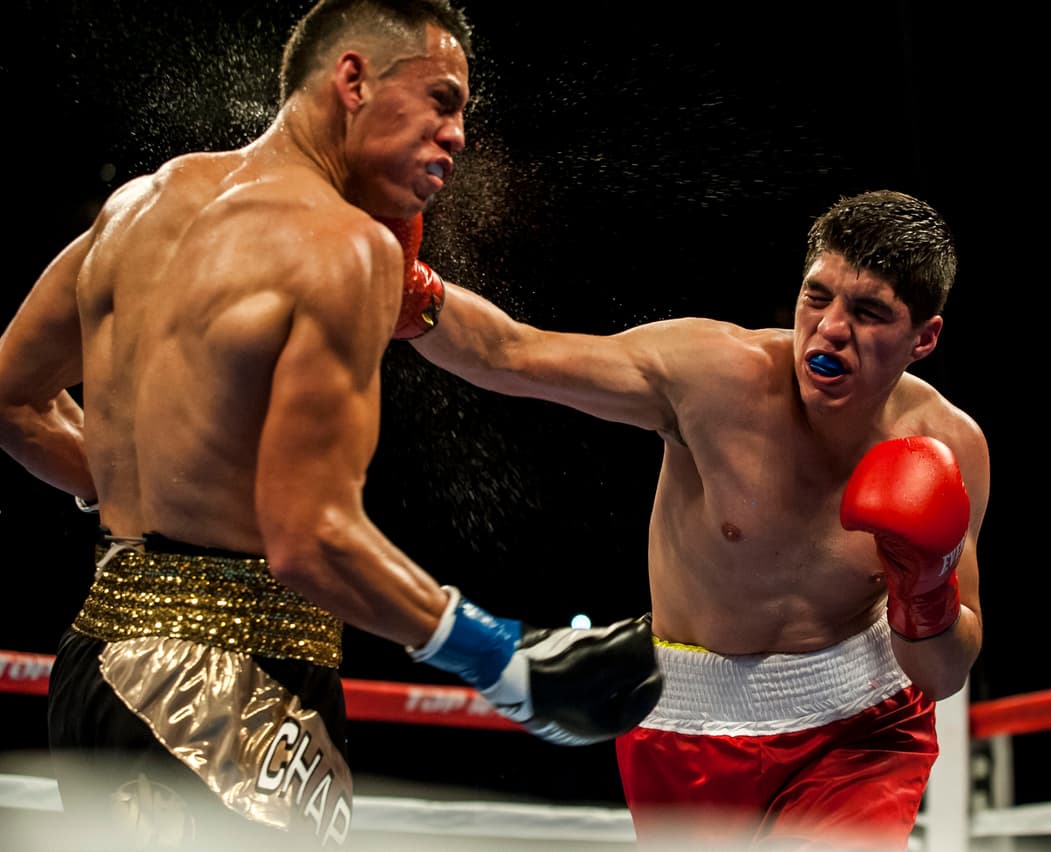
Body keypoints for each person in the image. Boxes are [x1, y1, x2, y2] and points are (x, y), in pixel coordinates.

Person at [0, 1, 661, 847]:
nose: (458, 135)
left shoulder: (138, 205)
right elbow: (311, 538)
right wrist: (501, 660)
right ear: (352, 79)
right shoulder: (343, 247)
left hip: (98, 666)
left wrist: (136, 486)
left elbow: (15, 400)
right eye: (443, 100)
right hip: (220, 693)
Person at [406, 188, 988, 850]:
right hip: (688, 729)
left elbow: (943, 673)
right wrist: (411, 294)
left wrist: (925, 595)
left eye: (869, 312)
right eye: (817, 296)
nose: (830, 328)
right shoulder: (710, 379)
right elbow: (511, 354)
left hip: (865, 729)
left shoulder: (948, 444)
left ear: (924, 338)